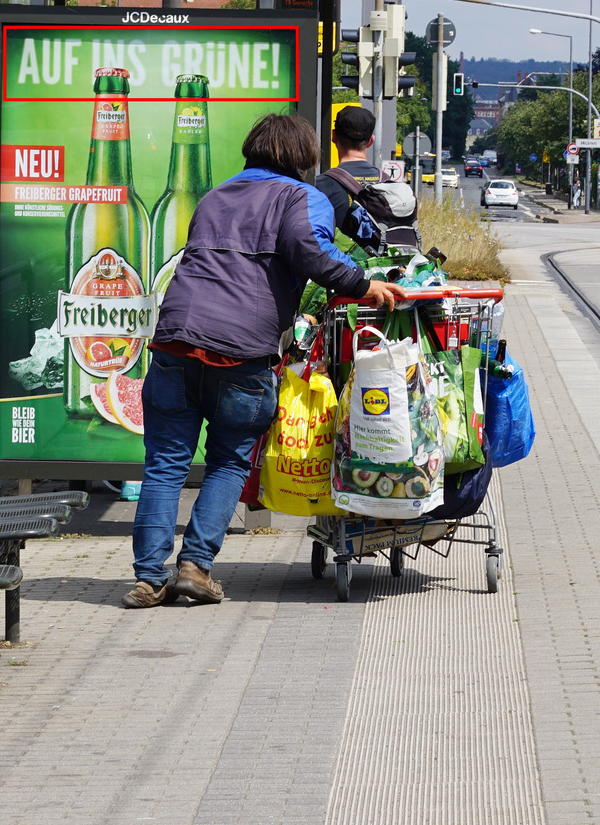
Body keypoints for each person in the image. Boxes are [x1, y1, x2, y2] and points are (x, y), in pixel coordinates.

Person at [123, 114, 405, 609]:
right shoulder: (302, 196)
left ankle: (149, 579)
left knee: (165, 465)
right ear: (303, 157)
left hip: (174, 339)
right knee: (229, 461)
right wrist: (366, 284)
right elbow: (310, 256)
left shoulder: (216, 195)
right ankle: (194, 569)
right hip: (242, 351)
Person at [317, 106, 382, 240]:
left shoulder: (320, 186)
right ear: (370, 141)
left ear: (334, 136)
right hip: (386, 261)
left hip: (341, 260)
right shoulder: (388, 183)